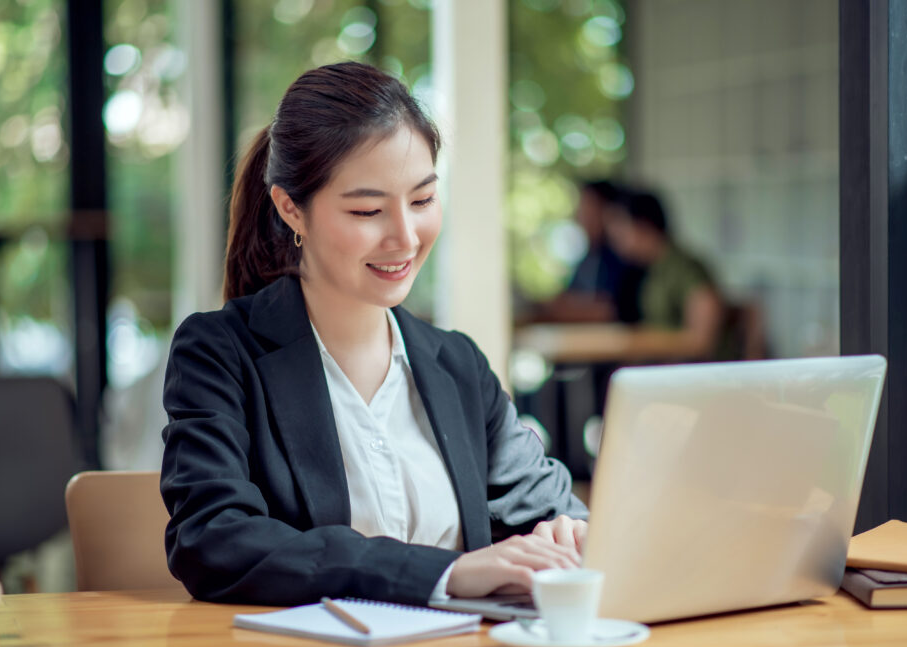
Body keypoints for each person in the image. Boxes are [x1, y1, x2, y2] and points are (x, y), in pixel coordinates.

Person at [160, 62, 588, 608]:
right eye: (368, 209)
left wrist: (566, 535)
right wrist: (445, 574)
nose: (405, 238)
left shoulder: (458, 365)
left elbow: (552, 511)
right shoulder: (219, 354)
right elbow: (212, 539)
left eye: (423, 200)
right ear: (291, 208)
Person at [602, 188, 732, 360]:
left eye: (620, 231)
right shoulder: (650, 270)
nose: (615, 240)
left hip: (692, 375)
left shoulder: (685, 268)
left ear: (644, 226)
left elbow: (702, 340)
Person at [534, 180, 645, 324]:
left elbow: (610, 311)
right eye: (581, 211)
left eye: (589, 210)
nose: (582, 218)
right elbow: (567, 297)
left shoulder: (624, 257)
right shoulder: (588, 257)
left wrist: (564, 310)